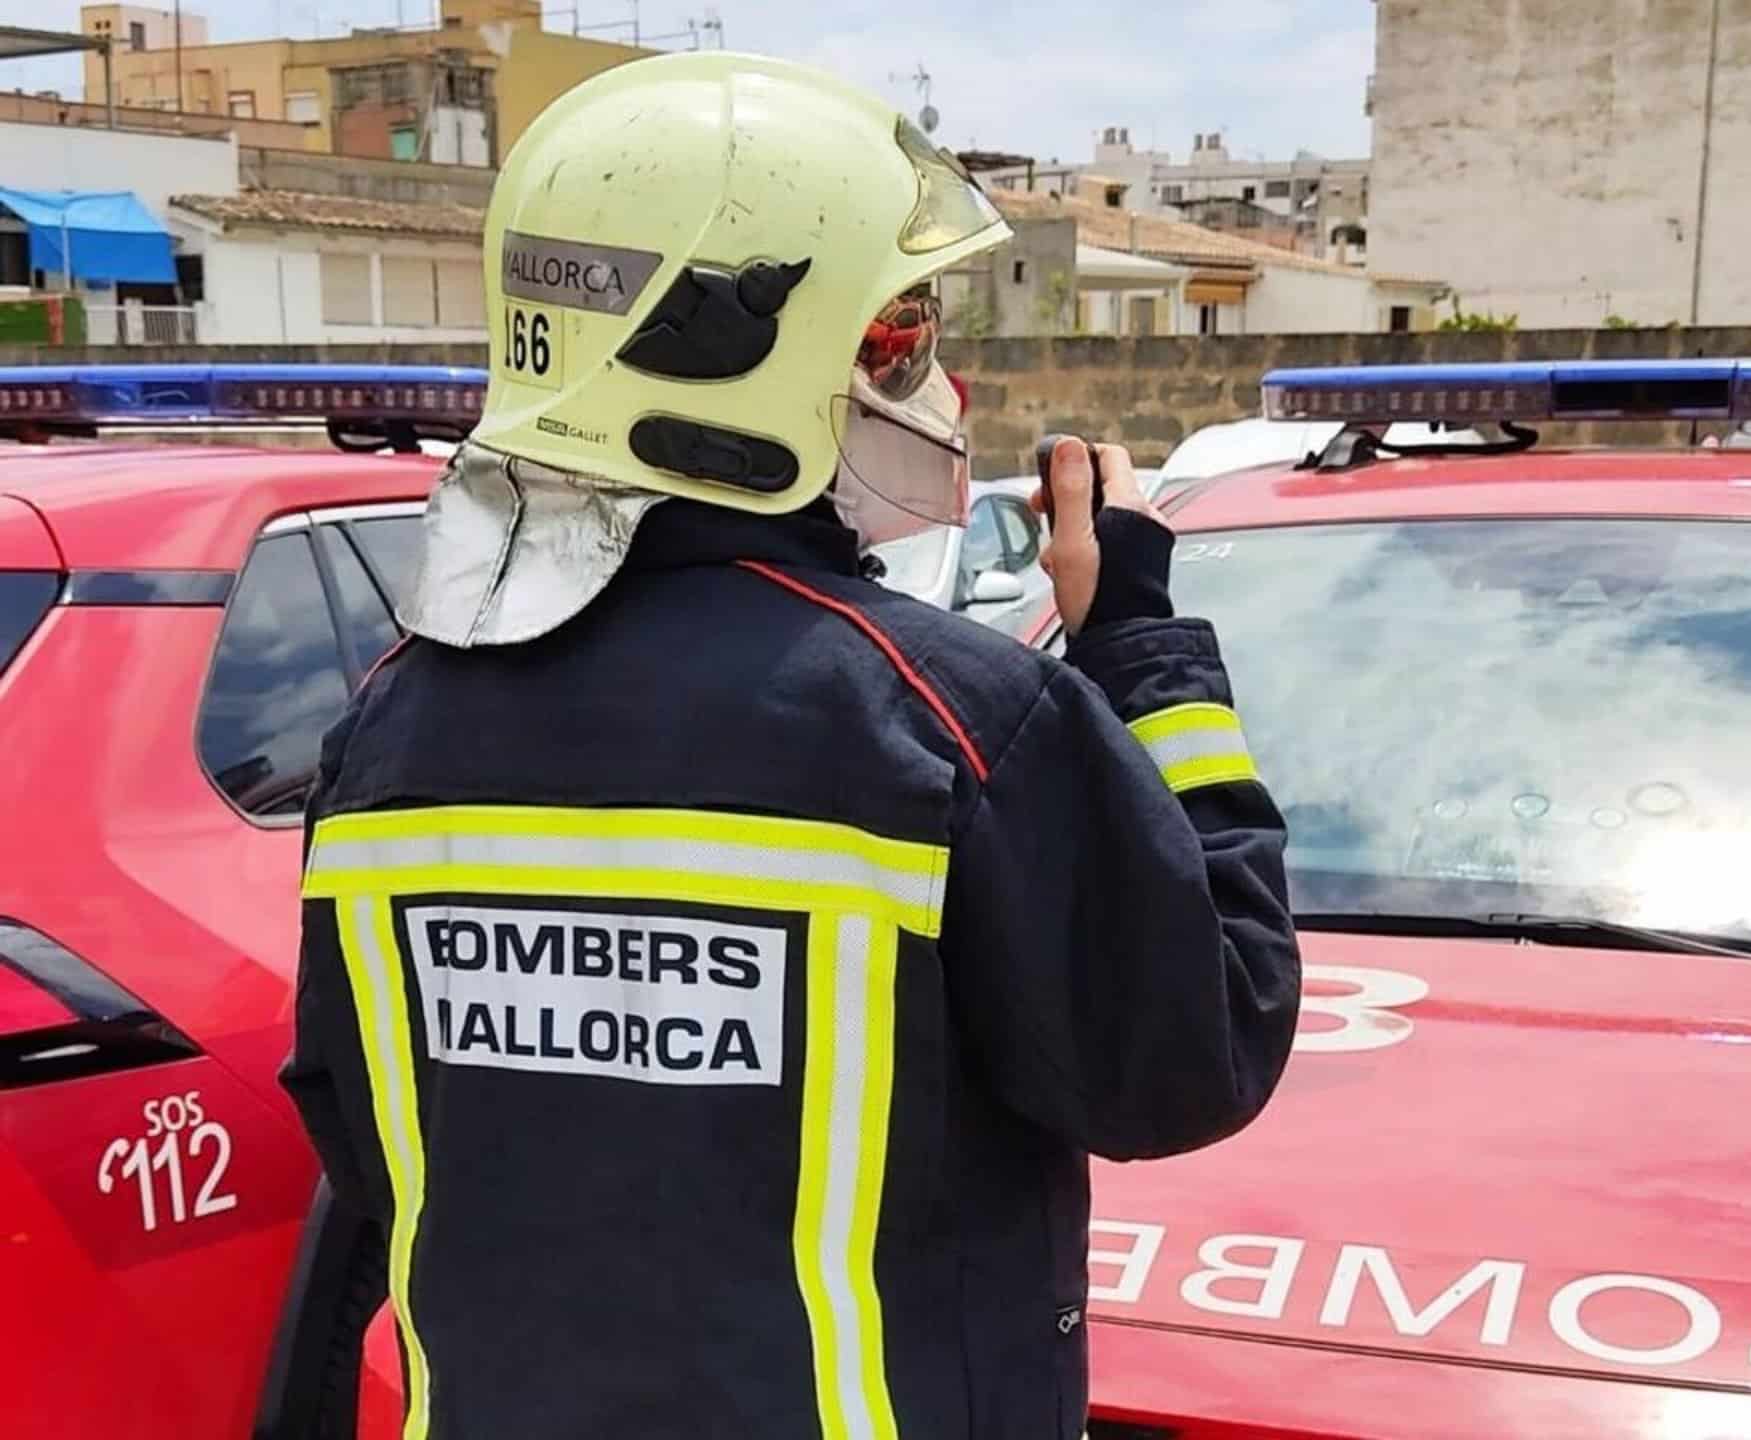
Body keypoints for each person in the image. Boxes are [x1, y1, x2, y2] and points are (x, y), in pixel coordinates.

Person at [282, 51, 1300, 1440]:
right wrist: (1139, 644)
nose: (928, 377)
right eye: (897, 329)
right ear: (736, 339)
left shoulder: (385, 731)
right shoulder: (953, 721)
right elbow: (1198, 1052)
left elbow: (372, 1139)